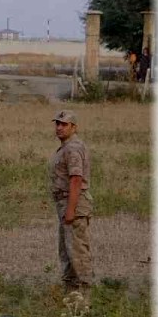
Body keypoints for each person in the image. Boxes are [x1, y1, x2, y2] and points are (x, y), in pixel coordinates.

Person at [49, 110, 94, 294]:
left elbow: (76, 179)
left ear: (74, 127)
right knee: (67, 251)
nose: (59, 127)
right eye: (57, 124)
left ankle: (83, 298)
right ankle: (70, 296)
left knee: (77, 252)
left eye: (64, 124)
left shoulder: (73, 148)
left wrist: (71, 210)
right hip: (66, 203)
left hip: (73, 202)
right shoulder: (66, 147)